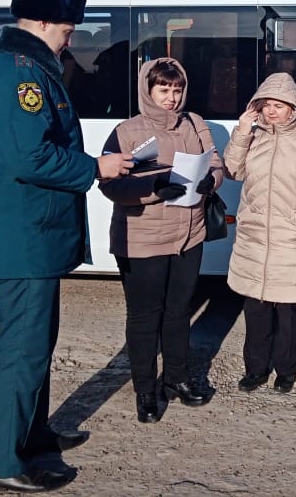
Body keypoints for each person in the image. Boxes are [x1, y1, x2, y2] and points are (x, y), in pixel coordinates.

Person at [0, 0, 134, 493]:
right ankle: (5, 462)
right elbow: (29, 157)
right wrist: (95, 168)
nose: (70, 39)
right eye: (66, 30)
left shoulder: (31, 69)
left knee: (37, 344)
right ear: (40, 25)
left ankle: (33, 435)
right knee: (22, 349)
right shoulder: (19, 76)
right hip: (22, 238)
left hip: (32, 234)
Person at [98, 57, 224, 424]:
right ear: (148, 90)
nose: (171, 97)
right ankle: (145, 391)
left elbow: (214, 161)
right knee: (144, 317)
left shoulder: (195, 122)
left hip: (189, 234)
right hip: (142, 238)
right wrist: (153, 187)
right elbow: (110, 185)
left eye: (177, 89)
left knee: (178, 313)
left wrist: (210, 180)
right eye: (163, 89)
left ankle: (177, 379)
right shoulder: (127, 131)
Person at [223, 73, 296, 394]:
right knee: (257, 314)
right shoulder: (253, 138)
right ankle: (256, 370)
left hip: (293, 241)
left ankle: (286, 372)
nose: (272, 111)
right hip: (255, 244)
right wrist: (242, 132)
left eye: (280, 106)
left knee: (290, 315)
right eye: (267, 105)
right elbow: (232, 170)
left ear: (294, 109)